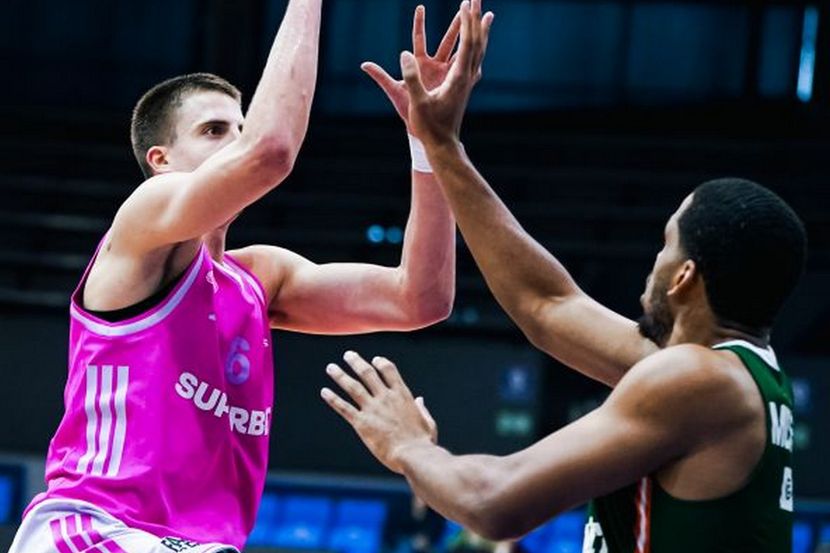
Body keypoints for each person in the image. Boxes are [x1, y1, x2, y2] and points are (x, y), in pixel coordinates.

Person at [321, 1, 808, 551]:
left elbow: (495, 502)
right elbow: (546, 304)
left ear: (685, 277)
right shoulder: (735, 376)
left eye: (665, 244)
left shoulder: (699, 381)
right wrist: (440, 144)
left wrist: (407, 445)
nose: (654, 262)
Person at [9, 2, 464, 552]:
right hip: (92, 528)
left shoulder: (260, 278)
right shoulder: (143, 224)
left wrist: (431, 143)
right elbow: (270, 151)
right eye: (213, 130)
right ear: (160, 161)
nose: (235, 141)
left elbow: (421, 298)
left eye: (241, 127)